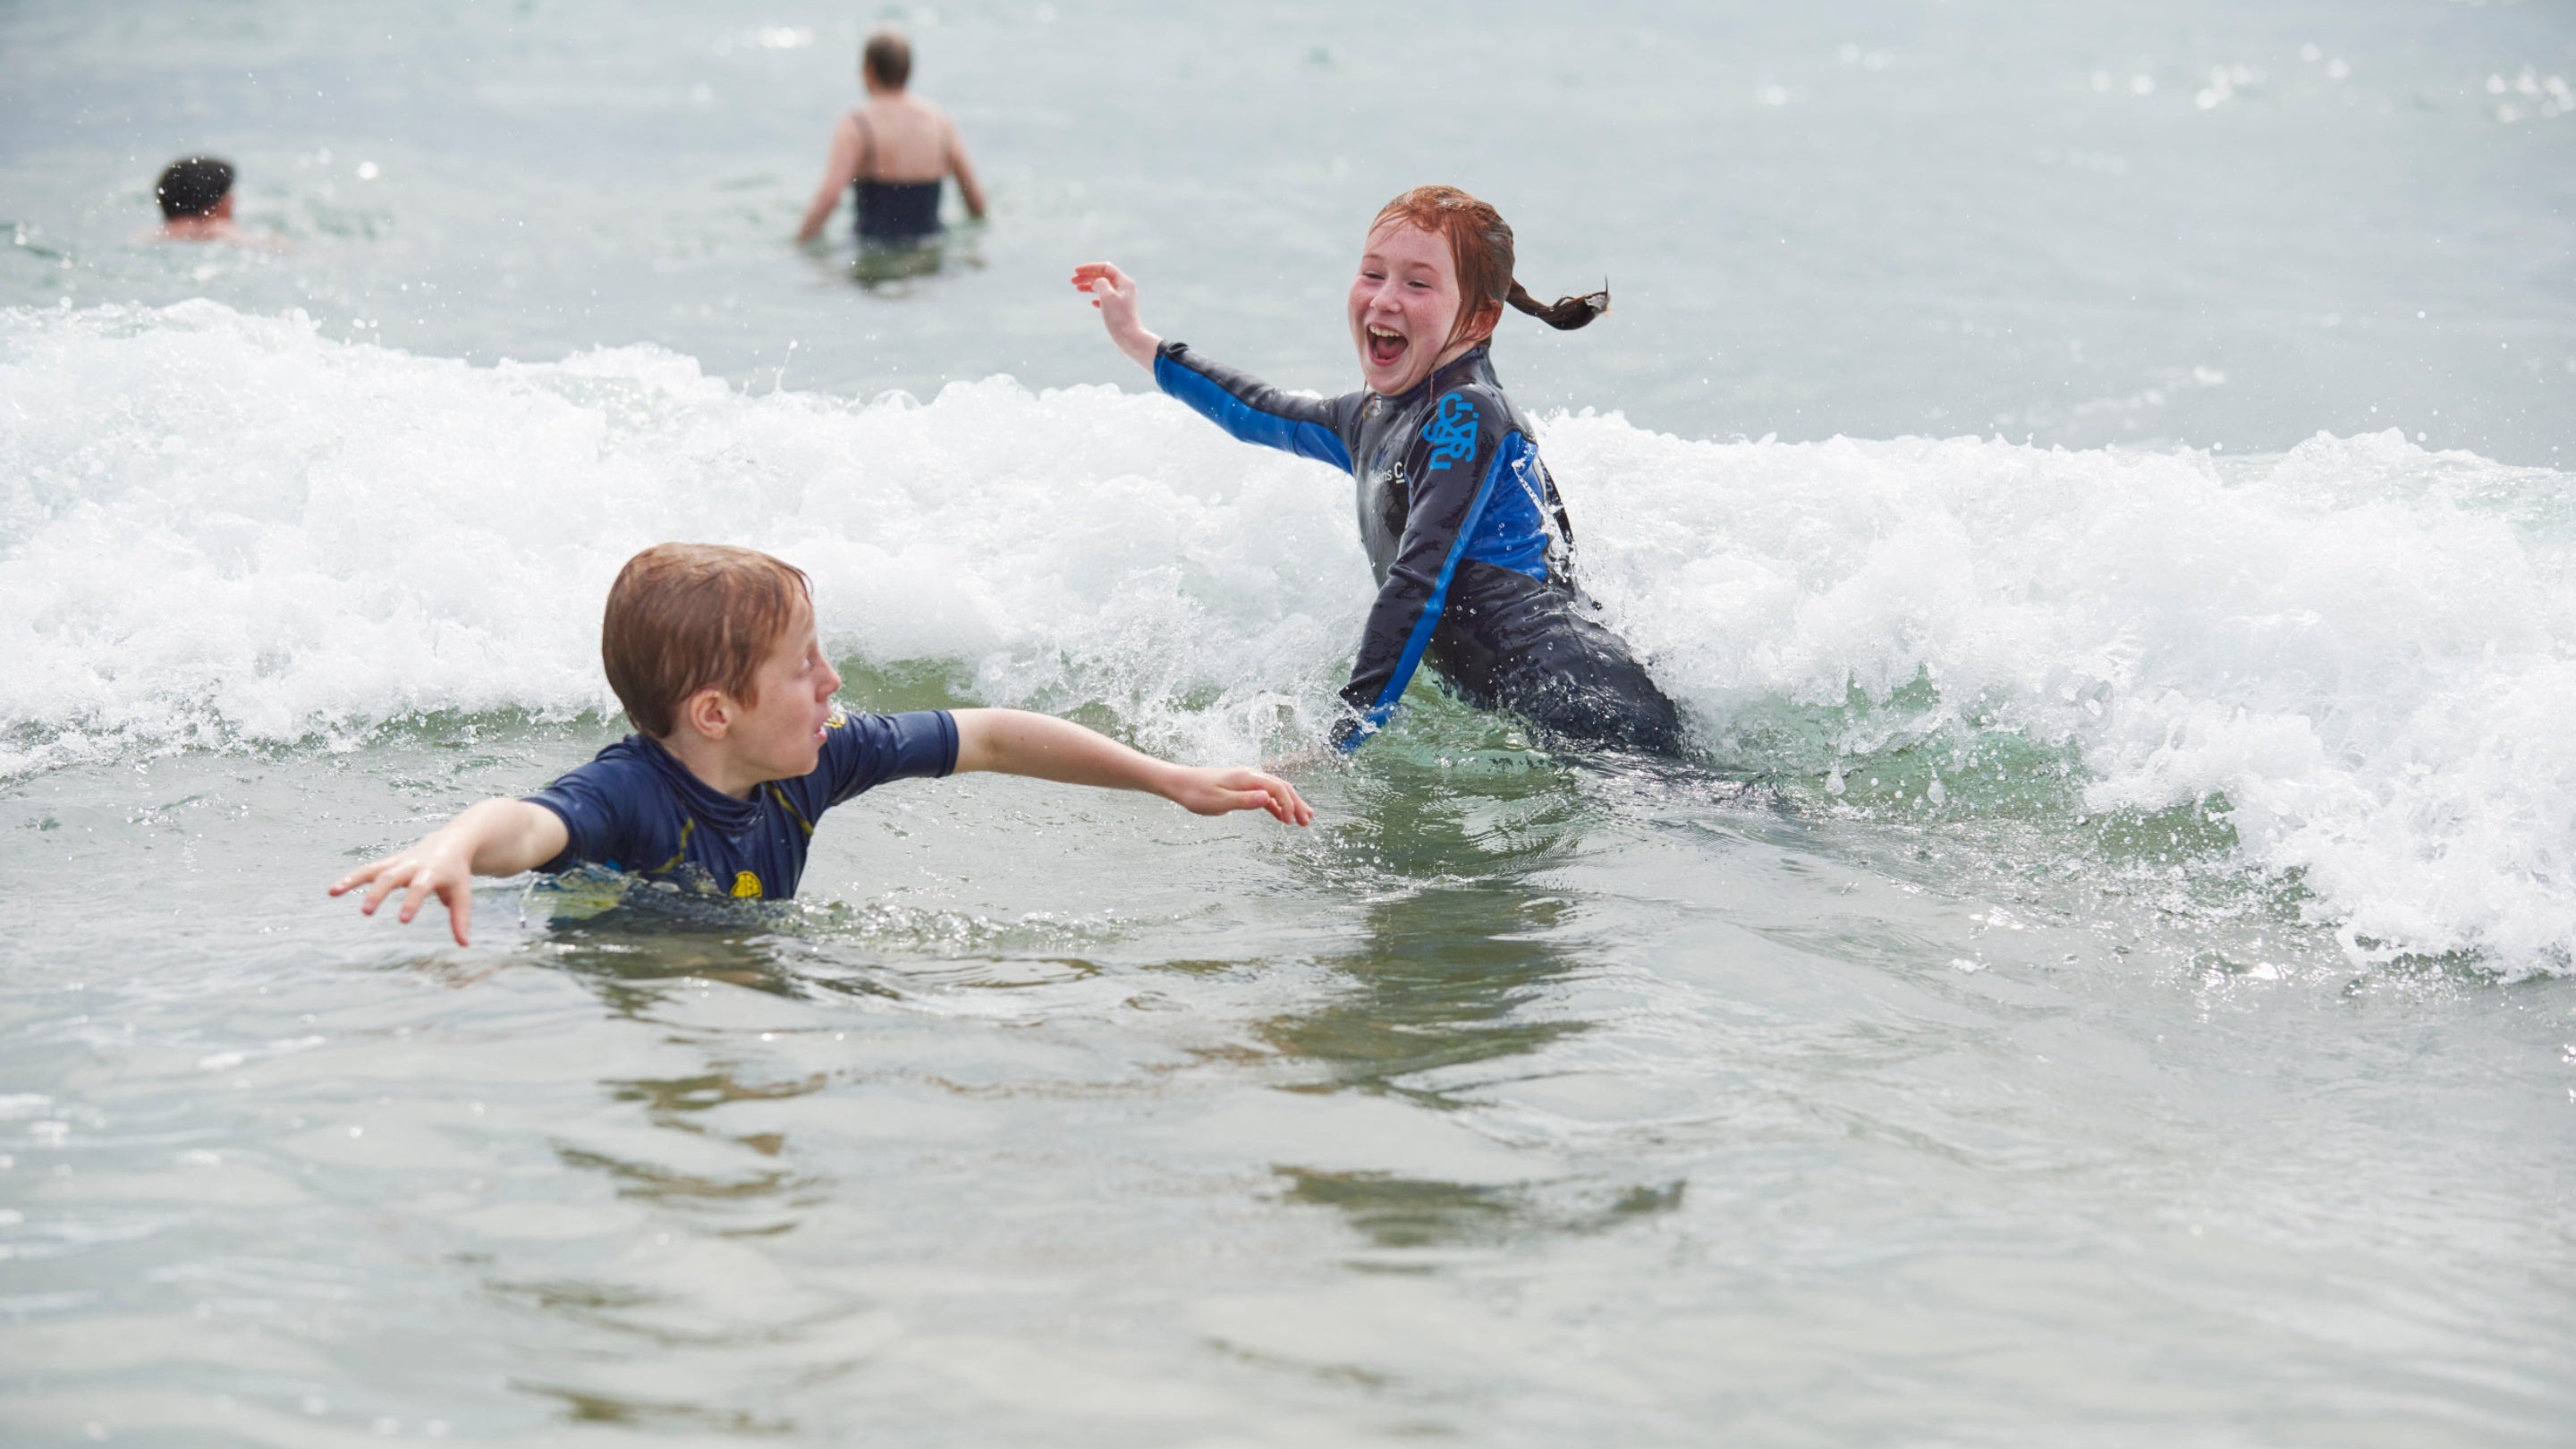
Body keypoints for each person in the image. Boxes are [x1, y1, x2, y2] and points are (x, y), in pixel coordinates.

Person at [331, 543, 1310, 945]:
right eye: (805, 667)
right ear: (715, 714)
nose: (833, 684)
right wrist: (456, 847)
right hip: (629, 969)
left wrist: (1169, 780)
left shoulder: (815, 757)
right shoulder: (632, 795)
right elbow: (531, 825)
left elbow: (993, 738)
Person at [1071, 185, 1683, 756]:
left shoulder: (1465, 414)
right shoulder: (1370, 418)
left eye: (1418, 284)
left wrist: (1340, 740)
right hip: (1543, 710)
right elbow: (1255, 411)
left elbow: (1418, 579)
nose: (1385, 297)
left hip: (1594, 710)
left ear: (1478, 320)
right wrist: (1138, 340)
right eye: (1372, 273)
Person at [792, 29, 987, 250]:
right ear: (908, 70)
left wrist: (798, 244)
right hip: (930, 255)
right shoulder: (940, 121)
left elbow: (829, 197)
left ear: (869, 71)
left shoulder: (857, 124)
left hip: (875, 256)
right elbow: (974, 197)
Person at [154, 156, 241, 242]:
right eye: (227, 193)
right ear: (211, 202)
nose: (232, 199)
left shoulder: (155, 234)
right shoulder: (218, 231)